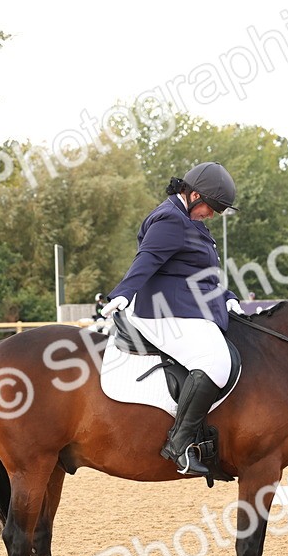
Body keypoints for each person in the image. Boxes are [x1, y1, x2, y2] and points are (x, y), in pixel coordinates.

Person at [99, 161, 242, 477]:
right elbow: (147, 259)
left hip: (190, 308)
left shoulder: (189, 221)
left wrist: (228, 298)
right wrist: (122, 293)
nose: (211, 215)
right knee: (215, 361)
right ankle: (179, 444)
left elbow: (202, 275)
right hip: (166, 312)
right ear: (192, 194)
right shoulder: (170, 219)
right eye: (210, 207)